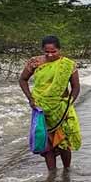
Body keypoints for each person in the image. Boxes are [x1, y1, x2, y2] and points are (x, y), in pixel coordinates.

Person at [19, 35, 82, 171]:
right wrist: (30, 98)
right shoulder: (35, 62)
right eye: (47, 51)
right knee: (46, 144)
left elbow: (76, 87)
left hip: (61, 108)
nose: (50, 54)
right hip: (41, 108)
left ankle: (67, 171)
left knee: (63, 142)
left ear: (59, 50)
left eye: (54, 51)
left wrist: (69, 103)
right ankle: (52, 174)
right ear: (42, 50)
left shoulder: (68, 65)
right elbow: (22, 80)